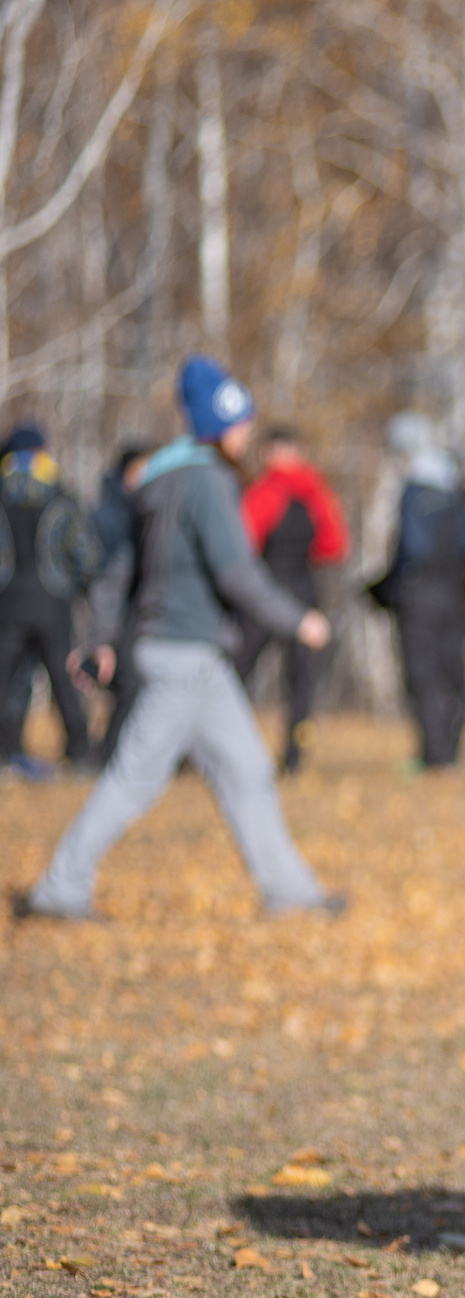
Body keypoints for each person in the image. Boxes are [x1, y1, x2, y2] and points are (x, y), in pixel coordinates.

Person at [13, 357, 342, 923]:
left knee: (247, 770)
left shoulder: (161, 477)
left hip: (183, 655)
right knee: (134, 780)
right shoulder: (207, 482)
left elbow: (123, 572)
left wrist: (104, 638)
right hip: (184, 654)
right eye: (240, 422)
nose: (246, 434)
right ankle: (59, 890)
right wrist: (298, 620)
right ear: (219, 424)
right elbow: (236, 571)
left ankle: (290, 891)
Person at [369, 413, 465, 770]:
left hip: (420, 596)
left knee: (422, 675)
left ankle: (434, 755)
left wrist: (387, 587)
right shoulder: (457, 487)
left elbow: (412, 549)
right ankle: (451, 752)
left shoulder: (414, 490)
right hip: (456, 596)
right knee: (453, 673)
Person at [232, 425, 348, 774]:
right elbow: (334, 545)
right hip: (304, 591)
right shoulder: (317, 491)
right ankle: (295, 756)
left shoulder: (265, 490)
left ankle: (224, 747)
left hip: (266, 590)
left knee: (239, 669)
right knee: (301, 681)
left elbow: (243, 541)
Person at [0, 423, 104, 780]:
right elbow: (87, 555)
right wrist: (76, 585)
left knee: (7, 679)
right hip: (53, 601)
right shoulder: (60, 494)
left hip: (7, 602)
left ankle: (6, 752)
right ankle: (79, 752)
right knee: (64, 678)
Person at [84, 445, 152, 771]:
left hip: (137, 616)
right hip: (114, 617)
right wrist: (100, 638)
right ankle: (105, 754)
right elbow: (107, 583)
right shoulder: (112, 516)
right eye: (142, 471)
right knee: (130, 684)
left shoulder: (145, 511)